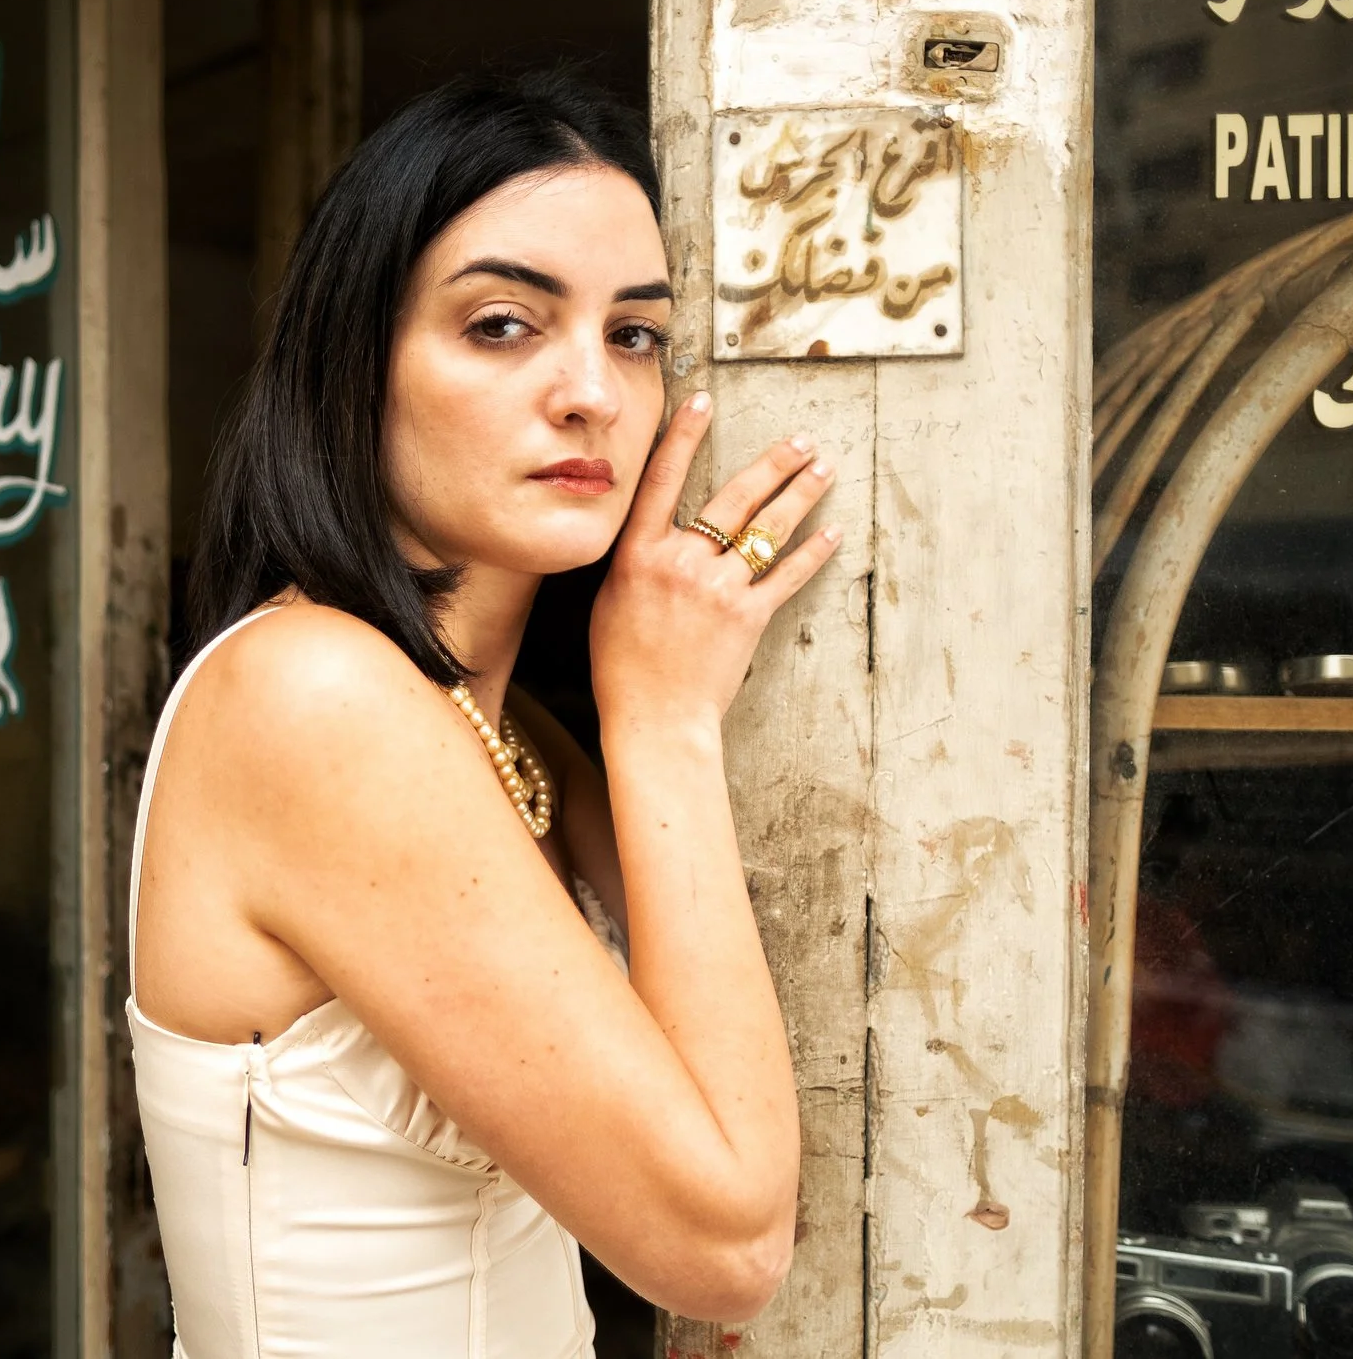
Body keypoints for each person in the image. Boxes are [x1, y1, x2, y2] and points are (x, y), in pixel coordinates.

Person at [128, 68, 839, 1356]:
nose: (592, 394)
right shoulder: (312, 695)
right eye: (504, 324)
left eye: (633, 334)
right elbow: (726, 1246)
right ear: (357, 364)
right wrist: (666, 723)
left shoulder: (502, 735)